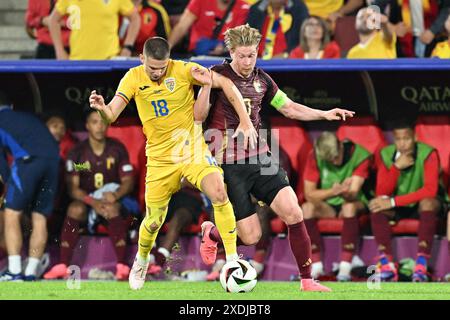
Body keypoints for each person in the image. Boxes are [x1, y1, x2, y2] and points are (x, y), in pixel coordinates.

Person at [88, 36, 258, 290]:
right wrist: (102, 108)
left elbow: (227, 84)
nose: (157, 72)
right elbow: (111, 114)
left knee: (220, 192)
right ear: (141, 59)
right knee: (154, 220)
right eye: (152, 68)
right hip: (159, 158)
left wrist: (245, 120)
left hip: (191, 150)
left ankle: (232, 260)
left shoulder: (184, 70)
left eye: (162, 67)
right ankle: (142, 259)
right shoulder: (133, 78)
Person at [195, 24, 355, 292]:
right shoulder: (215, 76)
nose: (247, 62)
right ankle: (212, 233)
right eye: (242, 56)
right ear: (231, 52)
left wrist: (324, 113)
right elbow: (198, 117)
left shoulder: (263, 80)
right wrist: (204, 88)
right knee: (251, 236)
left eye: (252, 55)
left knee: (294, 210)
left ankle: (306, 280)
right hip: (228, 164)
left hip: (260, 157)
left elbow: (289, 108)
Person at [43, 110, 136, 281]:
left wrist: (115, 195)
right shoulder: (78, 153)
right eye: (94, 122)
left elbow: (128, 181)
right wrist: (92, 202)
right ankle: (63, 265)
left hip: (112, 202)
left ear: (107, 125)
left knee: (111, 209)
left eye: (102, 122)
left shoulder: (117, 149)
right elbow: (73, 188)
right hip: (88, 203)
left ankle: (122, 267)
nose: (99, 127)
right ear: (87, 126)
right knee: (74, 208)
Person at [369, 122, 442, 282]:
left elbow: (430, 190)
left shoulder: (428, 153)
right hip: (399, 206)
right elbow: (382, 193)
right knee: (376, 206)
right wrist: (396, 167)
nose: (402, 143)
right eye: (398, 139)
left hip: (421, 204)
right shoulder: (386, 154)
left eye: (406, 138)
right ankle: (387, 264)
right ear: (393, 139)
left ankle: (421, 266)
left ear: (414, 137)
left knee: (428, 202)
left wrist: (394, 202)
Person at [0, 93, 60, 281]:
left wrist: (10, 186)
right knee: (39, 217)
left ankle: (15, 271)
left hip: (29, 161)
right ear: (10, 104)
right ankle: (30, 272)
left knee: (11, 213)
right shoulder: (26, 117)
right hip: (53, 162)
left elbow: (1, 164)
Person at [302, 132, 371, 281]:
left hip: (354, 201)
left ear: (340, 145)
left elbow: (353, 193)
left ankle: (345, 268)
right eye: (329, 160)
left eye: (335, 157)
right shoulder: (314, 155)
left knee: (348, 207)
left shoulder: (360, 155)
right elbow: (309, 194)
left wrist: (345, 192)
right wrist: (333, 192)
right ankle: (316, 266)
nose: (333, 162)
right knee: (306, 208)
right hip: (330, 204)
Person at [48, 0, 141, 60]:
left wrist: (127, 47)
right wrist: (59, 51)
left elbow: (135, 18)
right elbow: (53, 20)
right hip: (77, 61)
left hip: (109, 60)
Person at [168, 0, 250, 56]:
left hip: (226, 57)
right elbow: (181, 27)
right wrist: (167, 47)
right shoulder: (200, 1)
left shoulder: (244, 7)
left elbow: (240, 36)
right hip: (197, 56)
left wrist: (225, 47)